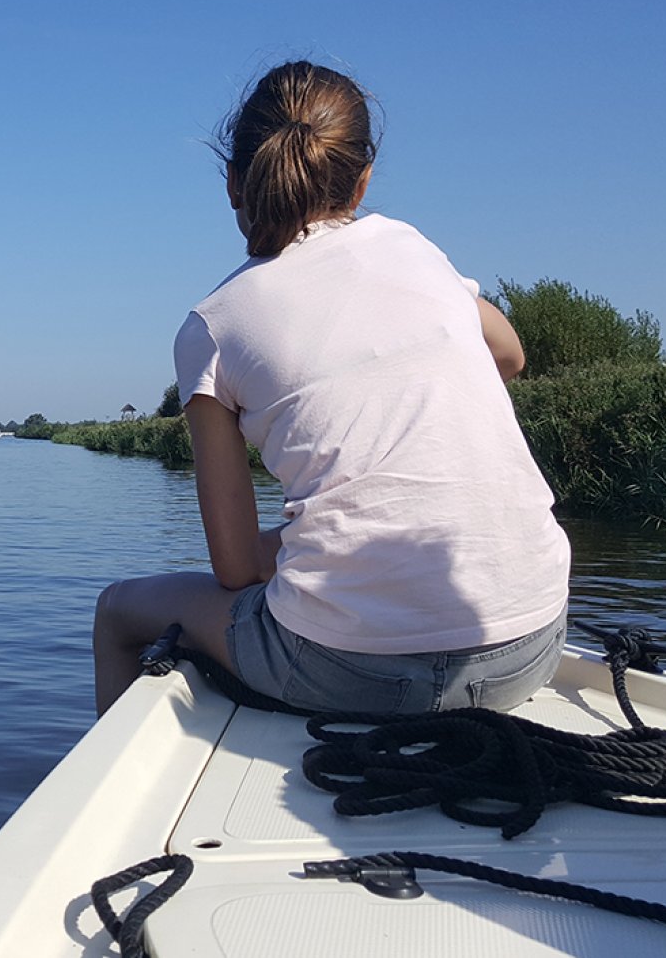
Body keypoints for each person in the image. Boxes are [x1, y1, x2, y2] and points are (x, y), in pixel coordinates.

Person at [93, 60, 570, 718]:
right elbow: (511, 354)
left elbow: (233, 569)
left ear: (234, 184)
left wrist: (301, 540)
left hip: (348, 671)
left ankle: (120, 814)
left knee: (117, 609)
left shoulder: (212, 326)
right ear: (364, 179)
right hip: (531, 641)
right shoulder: (414, 249)